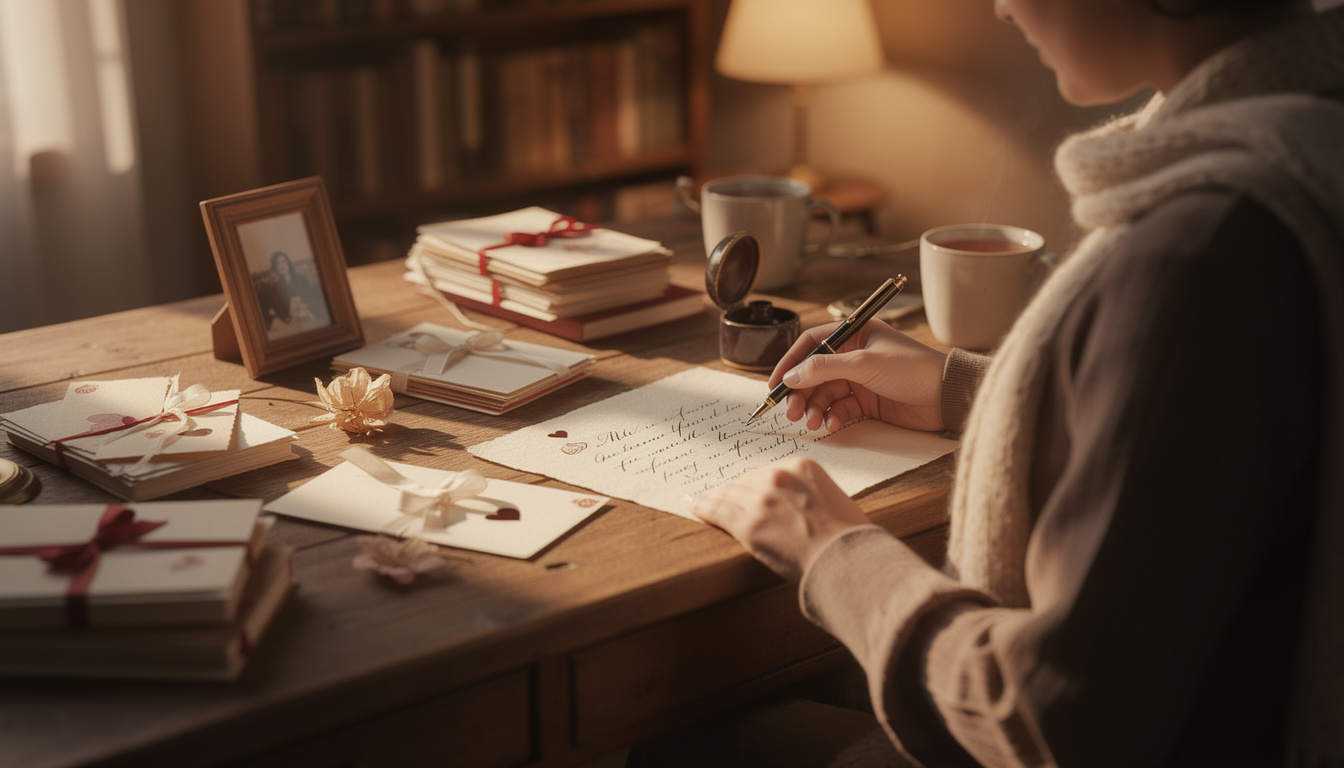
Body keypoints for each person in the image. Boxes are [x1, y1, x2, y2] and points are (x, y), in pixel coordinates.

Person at [684, 1, 1344, 766]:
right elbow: (1206, 438)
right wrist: (966, 388)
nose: (998, 6)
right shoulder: (1311, 142)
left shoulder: (1196, 252)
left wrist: (832, 549)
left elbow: (1058, 716)